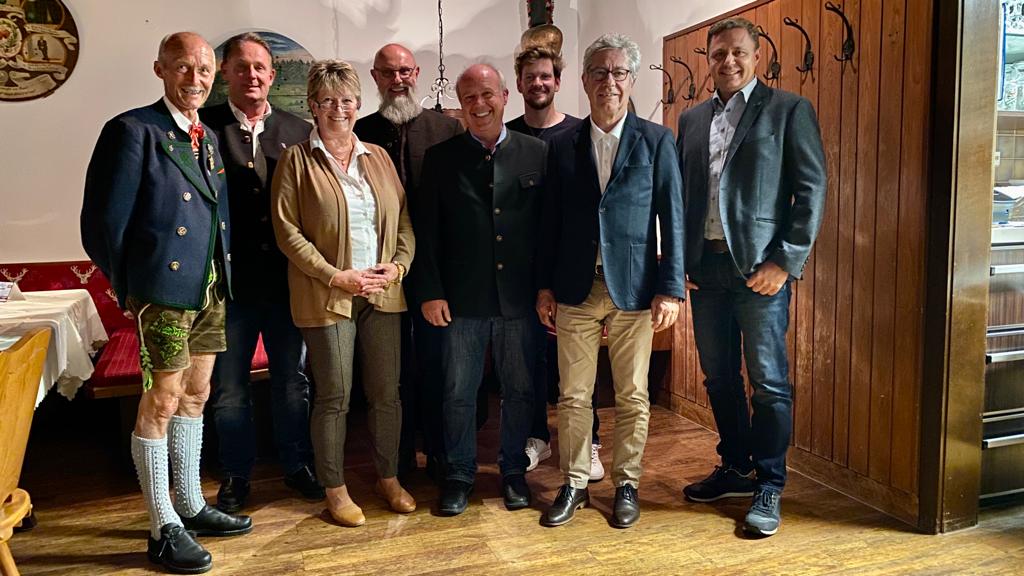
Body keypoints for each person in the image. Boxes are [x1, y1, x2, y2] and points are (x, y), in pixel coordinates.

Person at [81, 31, 252, 574]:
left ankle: (192, 504)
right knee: (162, 400)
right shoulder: (133, 130)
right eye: (183, 68)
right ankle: (162, 525)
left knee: (198, 394)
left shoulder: (206, 135)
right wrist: (131, 286)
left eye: (204, 70)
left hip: (209, 288)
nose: (195, 79)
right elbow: (102, 224)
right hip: (163, 293)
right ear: (160, 69)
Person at [676, 17, 826, 537]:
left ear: (757, 56)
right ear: (709, 59)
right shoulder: (691, 120)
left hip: (761, 270)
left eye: (738, 53)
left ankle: (769, 481)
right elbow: (682, 200)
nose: (729, 63)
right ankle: (736, 466)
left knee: (768, 382)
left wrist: (784, 261)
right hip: (705, 270)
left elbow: (810, 190)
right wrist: (680, 263)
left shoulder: (788, 110)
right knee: (718, 376)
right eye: (719, 55)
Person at [537, 33, 685, 529]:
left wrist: (671, 287)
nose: (609, 82)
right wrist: (544, 286)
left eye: (619, 73)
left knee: (633, 394)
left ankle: (626, 482)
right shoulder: (560, 145)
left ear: (631, 80)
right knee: (573, 395)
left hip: (636, 289)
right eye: (599, 72)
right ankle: (576, 481)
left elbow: (674, 217)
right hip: (576, 288)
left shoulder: (657, 140)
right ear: (583, 80)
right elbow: (549, 223)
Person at [271, 59, 416, 528]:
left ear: (359, 105)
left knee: (386, 395)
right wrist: (337, 276)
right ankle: (334, 488)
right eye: (329, 101)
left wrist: (397, 266)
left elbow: (404, 223)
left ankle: (389, 477)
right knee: (334, 395)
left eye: (348, 100)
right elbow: (287, 233)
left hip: (382, 294)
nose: (340, 109)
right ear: (313, 106)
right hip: (327, 295)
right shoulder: (297, 159)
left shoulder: (378, 156)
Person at [414, 63, 547, 516]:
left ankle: (512, 471)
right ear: (460, 104)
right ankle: (458, 474)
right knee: (457, 392)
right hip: (460, 300)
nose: (479, 104)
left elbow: (549, 231)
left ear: (505, 96)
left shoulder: (536, 152)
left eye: (487, 94)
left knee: (520, 390)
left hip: (519, 300)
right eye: (469, 97)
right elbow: (425, 233)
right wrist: (430, 291)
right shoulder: (441, 157)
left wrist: (545, 289)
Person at [203, 32, 323, 514]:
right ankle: (235, 474)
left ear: (272, 76)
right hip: (228, 287)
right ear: (225, 74)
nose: (252, 75)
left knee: (292, 380)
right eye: (241, 67)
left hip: (286, 283)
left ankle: (297, 465)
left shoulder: (299, 130)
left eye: (260, 67)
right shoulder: (203, 127)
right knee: (229, 389)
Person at [354, 43, 463, 480]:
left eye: (405, 71)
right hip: (380, 272)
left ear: (417, 72)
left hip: (434, 270)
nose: (398, 79)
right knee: (388, 373)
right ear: (375, 77)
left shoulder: (446, 130)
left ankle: (439, 453)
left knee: (439, 367)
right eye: (388, 73)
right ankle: (395, 461)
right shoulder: (359, 132)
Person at [505, 44, 606, 483]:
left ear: (559, 82)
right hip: (518, 271)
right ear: (519, 83)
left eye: (546, 76)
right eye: (530, 77)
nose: (538, 83)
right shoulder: (506, 135)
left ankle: (590, 442)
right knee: (527, 360)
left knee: (577, 366)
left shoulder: (581, 136)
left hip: (570, 272)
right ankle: (536, 438)